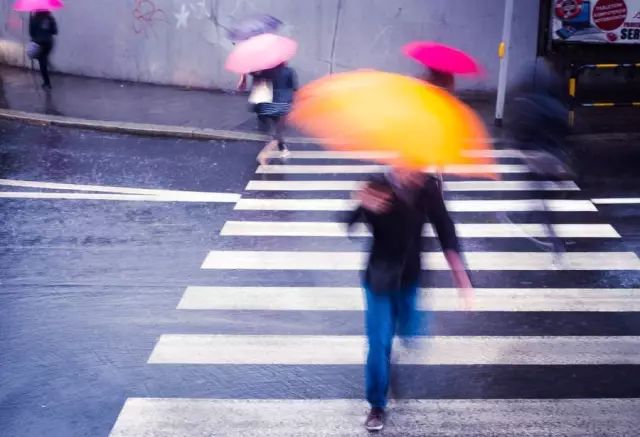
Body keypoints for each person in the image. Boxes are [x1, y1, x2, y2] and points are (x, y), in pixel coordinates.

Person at [346, 168, 473, 432]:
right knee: (379, 343)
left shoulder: (428, 187)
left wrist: (460, 273)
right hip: (379, 279)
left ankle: (392, 359)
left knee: (412, 334)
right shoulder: (377, 183)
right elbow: (348, 223)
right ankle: (377, 405)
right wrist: (361, 203)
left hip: (411, 277)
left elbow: (444, 226)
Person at [248, 62, 298, 165]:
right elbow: (294, 88)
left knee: (273, 130)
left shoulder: (265, 70)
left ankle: (283, 149)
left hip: (266, 105)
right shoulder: (288, 71)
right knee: (279, 131)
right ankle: (264, 154)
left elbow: (254, 75)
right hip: (282, 104)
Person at [29, 10, 58, 89]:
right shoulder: (50, 18)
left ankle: (47, 82)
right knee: (44, 59)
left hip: (38, 43)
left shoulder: (33, 19)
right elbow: (55, 31)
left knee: (42, 62)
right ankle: (47, 76)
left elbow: (31, 33)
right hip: (49, 42)